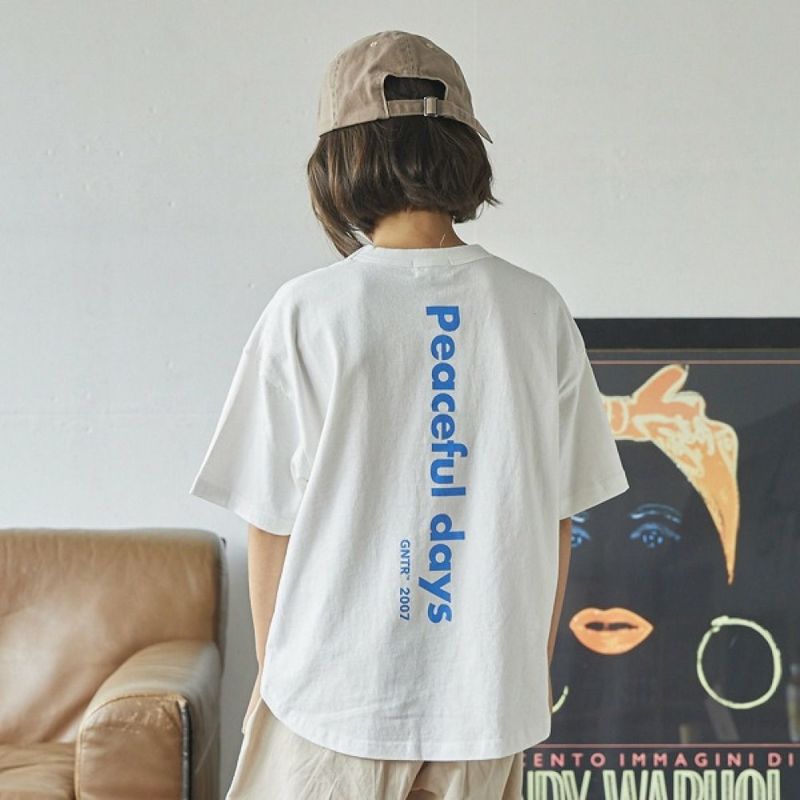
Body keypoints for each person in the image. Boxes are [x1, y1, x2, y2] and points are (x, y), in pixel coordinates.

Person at [189, 29, 630, 800]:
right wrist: (520, 671)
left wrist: (273, 677)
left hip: (331, 701)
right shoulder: (536, 310)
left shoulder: (308, 312)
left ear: (340, 158)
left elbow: (271, 522)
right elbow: (558, 516)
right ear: (464, 148)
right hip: (486, 699)